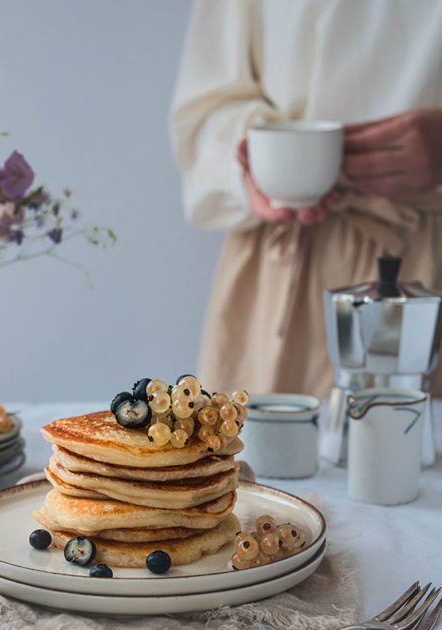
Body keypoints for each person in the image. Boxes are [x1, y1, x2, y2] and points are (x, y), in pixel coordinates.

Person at [170, 0, 442, 398]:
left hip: (428, 257)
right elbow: (206, 102)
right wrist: (255, 163)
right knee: (243, 454)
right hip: (283, 260)